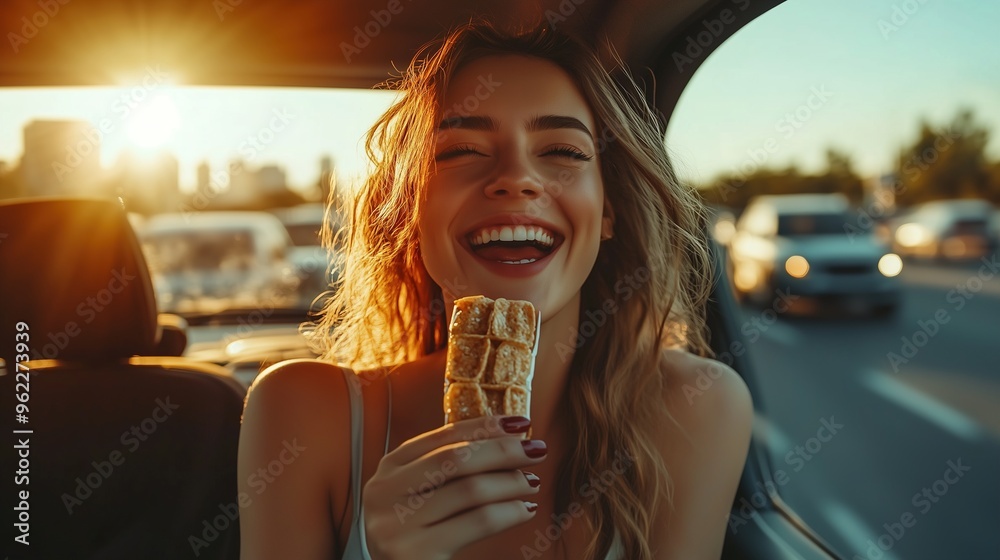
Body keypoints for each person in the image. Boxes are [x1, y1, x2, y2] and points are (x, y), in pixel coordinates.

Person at [238, 21, 752, 560]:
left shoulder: (696, 412)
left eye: (563, 151)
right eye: (461, 149)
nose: (516, 177)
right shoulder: (302, 413)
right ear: (412, 211)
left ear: (608, 212)